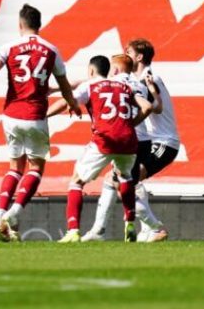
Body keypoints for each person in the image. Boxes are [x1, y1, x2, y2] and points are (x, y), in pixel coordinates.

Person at [0, 4, 80, 242]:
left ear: (20, 24)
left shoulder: (9, 47)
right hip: (35, 115)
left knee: (14, 167)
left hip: (11, 114)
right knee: (35, 168)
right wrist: (71, 103)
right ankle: (12, 214)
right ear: (39, 25)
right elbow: (63, 83)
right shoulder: (51, 50)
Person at [54, 55, 154, 243]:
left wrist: (45, 115)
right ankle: (130, 223)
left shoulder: (90, 85)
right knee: (125, 177)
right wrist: (130, 124)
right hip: (128, 140)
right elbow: (147, 107)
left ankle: (73, 230)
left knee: (76, 181)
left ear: (91, 71)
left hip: (105, 140)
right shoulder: (125, 87)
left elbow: (67, 101)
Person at [84, 38, 175, 243]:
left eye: (129, 51)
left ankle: (153, 227)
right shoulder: (137, 79)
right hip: (150, 140)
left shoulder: (147, 77)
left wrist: (129, 121)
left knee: (125, 182)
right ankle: (132, 228)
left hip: (163, 142)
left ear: (139, 57)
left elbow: (157, 107)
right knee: (119, 180)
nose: (125, 54)